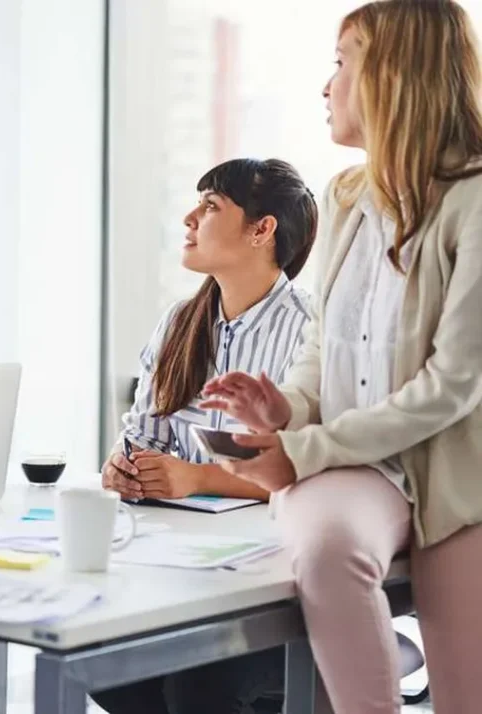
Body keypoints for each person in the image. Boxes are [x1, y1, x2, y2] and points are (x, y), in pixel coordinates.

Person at [201, 2, 482, 712]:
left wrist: (306, 447)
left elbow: (453, 385)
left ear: (392, 76)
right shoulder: (347, 198)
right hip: (358, 472)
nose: (328, 85)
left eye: (342, 62)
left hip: (457, 477)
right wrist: (284, 408)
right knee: (327, 549)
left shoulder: (475, 201)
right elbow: (324, 346)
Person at [91, 158, 317, 714]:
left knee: (196, 684)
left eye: (211, 206)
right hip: (177, 563)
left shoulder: (311, 329)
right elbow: (141, 438)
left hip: (273, 584)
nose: (191, 217)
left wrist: (195, 478)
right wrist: (125, 469)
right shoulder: (179, 322)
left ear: (262, 230)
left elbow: (312, 469)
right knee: (105, 665)